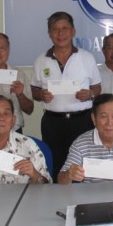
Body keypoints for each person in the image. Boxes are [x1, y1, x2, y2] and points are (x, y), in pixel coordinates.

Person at [31, 11, 101, 181]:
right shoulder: (41, 60)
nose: (60, 33)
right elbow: (34, 91)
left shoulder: (86, 57)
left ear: (73, 31)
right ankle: (57, 195)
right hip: (53, 122)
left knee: (85, 164)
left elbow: (97, 87)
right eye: (55, 29)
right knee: (56, 164)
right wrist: (41, 94)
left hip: (82, 120)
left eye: (65, 28)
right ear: (49, 33)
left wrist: (90, 94)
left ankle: (85, 194)